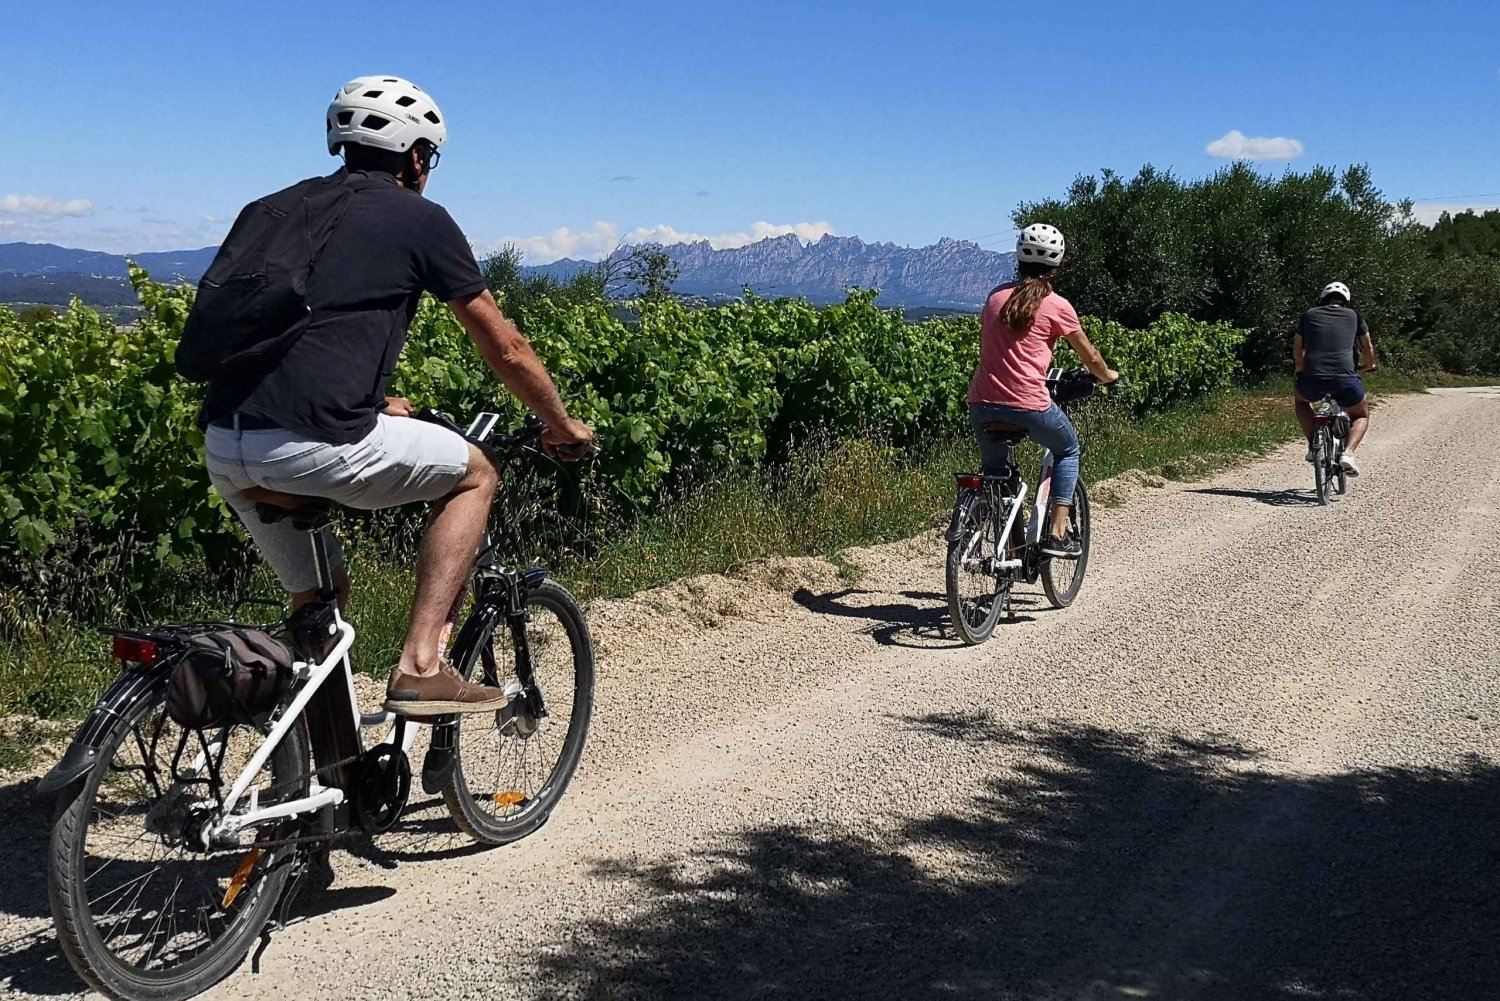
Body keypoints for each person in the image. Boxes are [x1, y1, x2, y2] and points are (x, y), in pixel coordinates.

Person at [200, 76, 593, 717]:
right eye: (429, 159)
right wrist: (561, 423)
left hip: (227, 441)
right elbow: (506, 347)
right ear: (416, 158)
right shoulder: (421, 220)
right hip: (318, 443)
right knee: (475, 474)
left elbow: (295, 320)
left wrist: (370, 399)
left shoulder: (270, 209)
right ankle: (420, 667)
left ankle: (310, 780)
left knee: (318, 609)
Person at [967, 223, 1119, 558]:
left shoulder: (995, 297)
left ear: (1018, 258)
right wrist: (1108, 377)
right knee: (1068, 450)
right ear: (1058, 265)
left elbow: (1005, 349)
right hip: (1028, 404)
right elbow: (1090, 357)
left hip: (981, 403)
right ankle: (1057, 533)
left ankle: (992, 540)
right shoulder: (1057, 306)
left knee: (996, 474)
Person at [1293, 281, 1376, 475]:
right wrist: (1370, 365)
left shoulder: (1309, 315)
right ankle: (1347, 453)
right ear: (1346, 301)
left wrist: (1300, 369)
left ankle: (1314, 446)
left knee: (1301, 402)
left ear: (1323, 300)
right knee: (1361, 414)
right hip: (1345, 379)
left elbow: (1298, 348)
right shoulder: (1354, 316)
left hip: (1312, 378)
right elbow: (1367, 346)